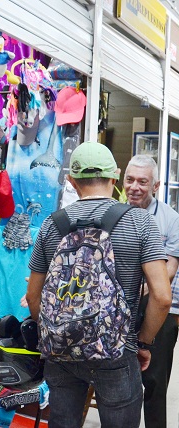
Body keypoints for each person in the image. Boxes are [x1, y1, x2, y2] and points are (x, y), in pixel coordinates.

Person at [26, 142, 171, 428]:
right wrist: (142, 341)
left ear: (71, 180)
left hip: (61, 353)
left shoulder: (50, 225)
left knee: (63, 422)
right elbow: (162, 297)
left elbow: (33, 297)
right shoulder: (141, 222)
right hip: (117, 350)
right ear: (115, 177)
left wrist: (59, 332)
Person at [125, 154, 179, 428]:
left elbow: (169, 268)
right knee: (120, 381)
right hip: (120, 306)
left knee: (155, 383)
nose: (134, 187)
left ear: (155, 186)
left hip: (156, 305)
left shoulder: (171, 219)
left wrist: (141, 286)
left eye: (142, 182)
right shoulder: (115, 214)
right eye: (129, 180)